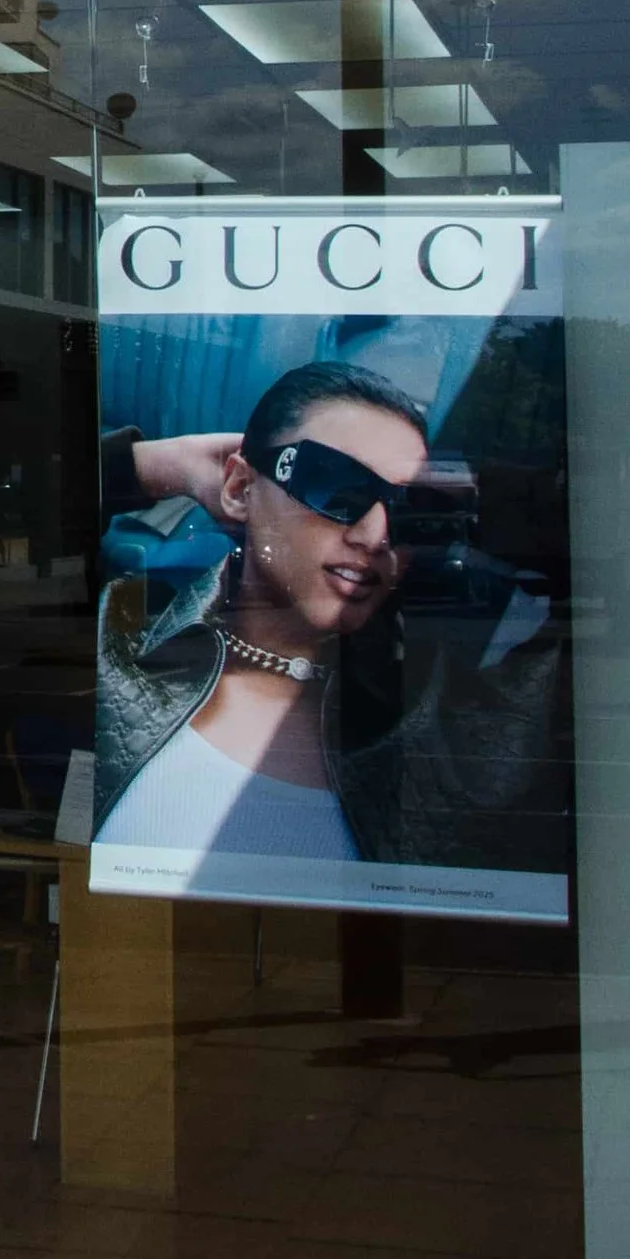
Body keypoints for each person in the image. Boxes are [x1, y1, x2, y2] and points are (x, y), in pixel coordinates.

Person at [94, 362, 560, 875]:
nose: (376, 535)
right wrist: (154, 464)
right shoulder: (117, 641)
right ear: (239, 488)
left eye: (411, 509)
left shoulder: (442, 722)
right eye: (337, 487)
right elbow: (4, 519)